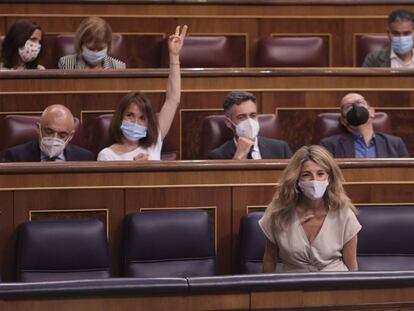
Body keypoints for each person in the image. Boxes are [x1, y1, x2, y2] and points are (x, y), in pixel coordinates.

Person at [259, 145, 361, 273]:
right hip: (293, 287)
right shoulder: (278, 213)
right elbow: (270, 258)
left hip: (335, 287)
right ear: (296, 179)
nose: (314, 180)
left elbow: (352, 265)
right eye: (306, 175)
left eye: (320, 174)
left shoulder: (344, 214)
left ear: (329, 177)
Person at [97, 25, 187, 161]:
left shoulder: (155, 141)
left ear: (148, 122)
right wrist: (133, 169)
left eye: (142, 118)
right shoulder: (106, 155)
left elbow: (172, 100)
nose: (135, 122)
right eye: (130, 115)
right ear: (120, 117)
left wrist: (174, 56)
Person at [320, 93, 409, 158]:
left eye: (360, 103)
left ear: (372, 112)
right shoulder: (329, 145)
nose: (355, 108)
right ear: (343, 120)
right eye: (348, 107)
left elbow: (407, 175)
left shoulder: (395, 144)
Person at [207, 91, 292, 160]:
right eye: (241, 117)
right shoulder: (217, 156)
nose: (249, 122)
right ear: (228, 122)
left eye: (253, 115)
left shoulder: (281, 149)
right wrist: (239, 157)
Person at [4, 105, 94, 162]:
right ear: (38, 129)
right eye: (49, 132)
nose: (54, 138)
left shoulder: (85, 158)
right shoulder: (15, 157)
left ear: (71, 136)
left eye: (62, 135)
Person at [58, 16, 125, 70]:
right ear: (81, 43)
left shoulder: (118, 67)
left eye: (100, 49)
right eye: (91, 48)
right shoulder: (66, 64)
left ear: (108, 45)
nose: (96, 53)